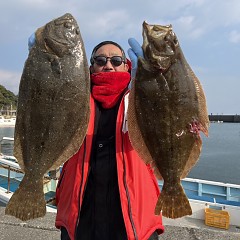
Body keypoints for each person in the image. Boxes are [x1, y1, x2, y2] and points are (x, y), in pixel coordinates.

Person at [29, 36, 164, 240]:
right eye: (100, 61)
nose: (108, 66)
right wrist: (41, 68)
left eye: (116, 61)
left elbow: (165, 118)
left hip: (135, 216)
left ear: (127, 66)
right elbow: (44, 107)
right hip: (79, 213)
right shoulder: (73, 98)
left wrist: (149, 83)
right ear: (91, 67)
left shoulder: (141, 99)